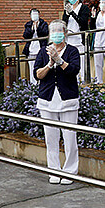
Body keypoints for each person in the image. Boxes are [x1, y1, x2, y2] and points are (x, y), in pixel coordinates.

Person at [34, 20, 81, 185]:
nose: (56, 34)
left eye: (59, 31)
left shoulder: (73, 51)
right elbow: (37, 74)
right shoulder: (42, 51)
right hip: (47, 101)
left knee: (69, 138)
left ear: (65, 33)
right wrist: (50, 63)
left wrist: (59, 61)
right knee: (51, 138)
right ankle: (53, 170)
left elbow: (73, 70)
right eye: (52, 31)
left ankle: (70, 172)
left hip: (68, 100)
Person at [62, 0, 90, 76]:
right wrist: (67, 14)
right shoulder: (67, 9)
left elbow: (83, 22)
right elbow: (64, 23)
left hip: (79, 41)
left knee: (80, 64)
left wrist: (72, 13)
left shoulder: (84, 8)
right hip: (69, 40)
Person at [22, 8, 49, 85]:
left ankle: (41, 82)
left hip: (41, 48)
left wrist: (38, 27)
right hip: (31, 49)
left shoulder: (43, 23)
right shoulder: (28, 25)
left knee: (42, 65)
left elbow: (45, 33)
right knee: (32, 67)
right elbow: (26, 35)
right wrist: (32, 29)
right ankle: (33, 84)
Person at [89, 0, 105, 83]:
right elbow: (92, 27)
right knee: (98, 64)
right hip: (98, 42)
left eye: (104, 3)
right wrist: (92, 16)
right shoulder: (97, 14)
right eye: (101, 3)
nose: (102, 4)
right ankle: (99, 80)